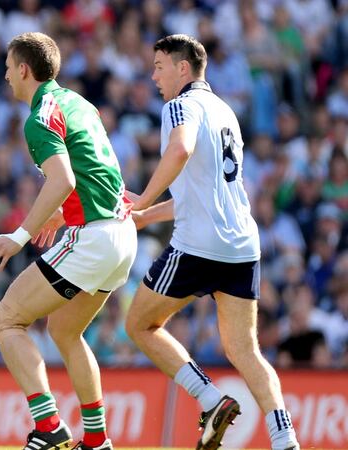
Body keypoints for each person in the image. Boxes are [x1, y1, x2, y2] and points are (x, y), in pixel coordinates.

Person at [124, 34, 300, 450]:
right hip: (241, 246)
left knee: (139, 325)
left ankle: (209, 397)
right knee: (245, 350)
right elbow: (206, 191)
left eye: (160, 67)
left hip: (198, 245)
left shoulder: (179, 105)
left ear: (183, 69)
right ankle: (285, 438)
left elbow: (180, 150)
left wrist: (144, 196)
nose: (154, 76)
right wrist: (148, 215)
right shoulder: (225, 111)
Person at [0, 32, 137, 450]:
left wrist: (20, 234)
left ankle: (48, 427)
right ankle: (97, 439)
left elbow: (64, 178)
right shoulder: (77, 103)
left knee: (5, 318)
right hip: (122, 235)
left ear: (24, 69)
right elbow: (94, 175)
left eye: (9, 67)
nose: (7, 75)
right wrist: (58, 213)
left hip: (95, 236)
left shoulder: (38, 116)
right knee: (65, 331)